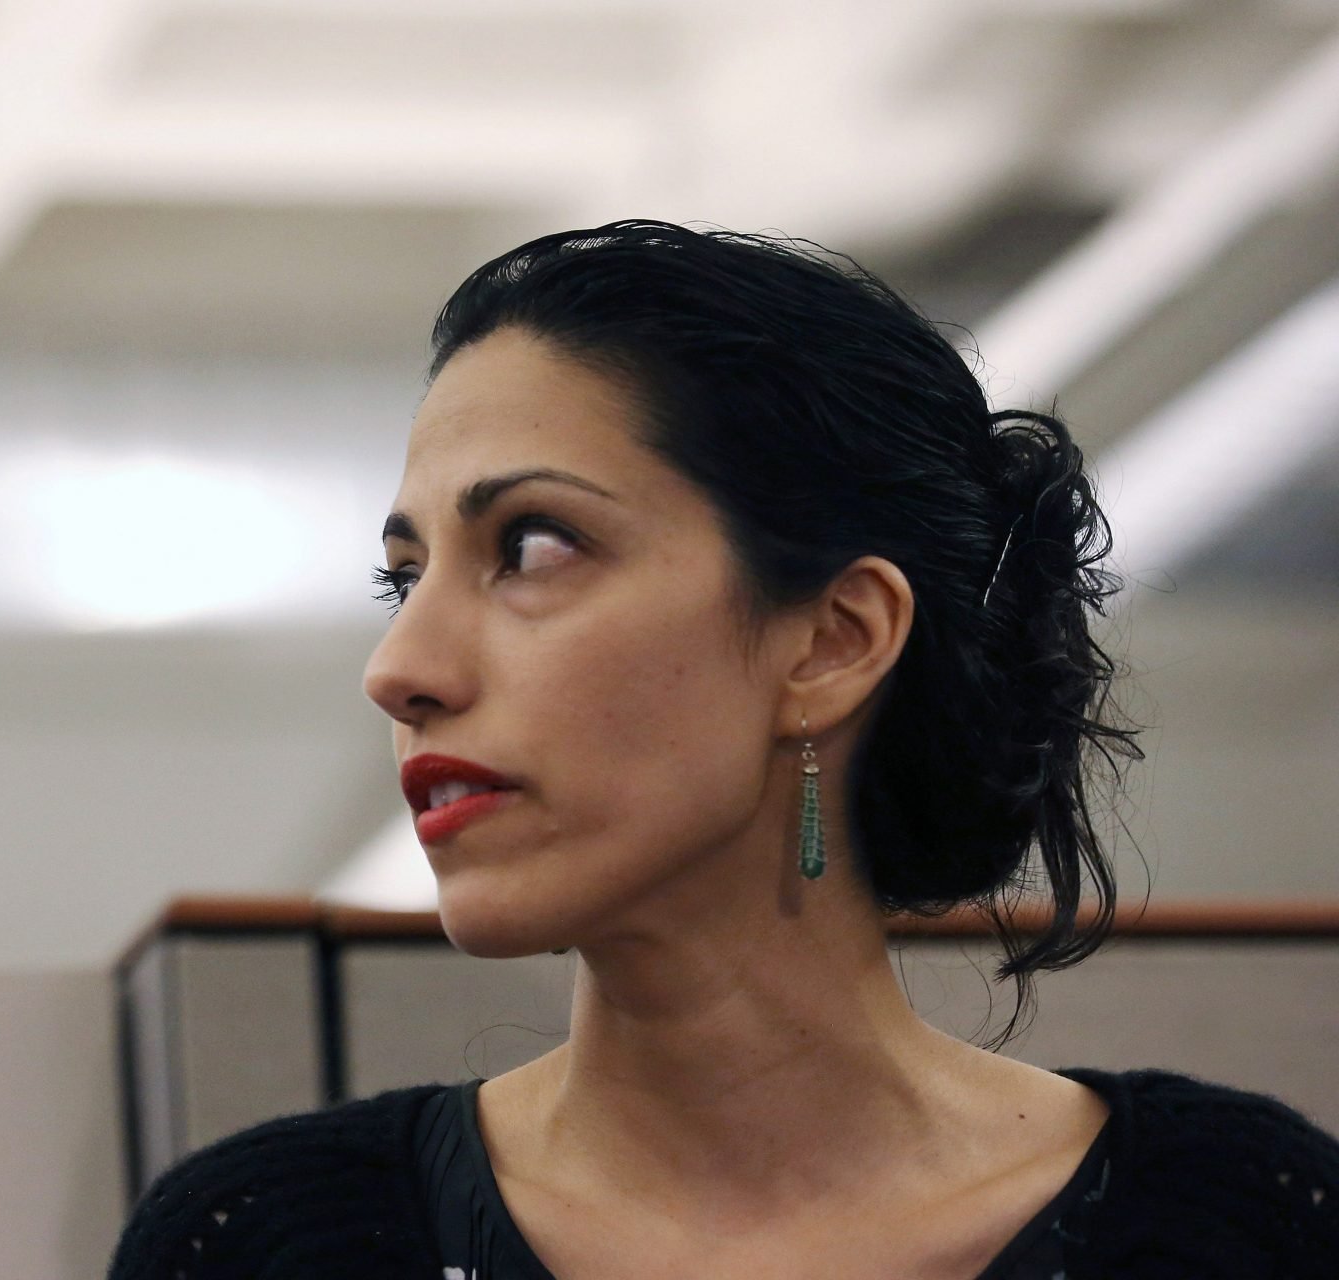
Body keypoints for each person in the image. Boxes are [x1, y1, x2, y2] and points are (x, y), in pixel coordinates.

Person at [108, 222, 1339, 1279]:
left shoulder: (1234, 1224)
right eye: (404, 579)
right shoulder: (274, 1243)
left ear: (830, 642)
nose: (400, 669)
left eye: (531, 547)